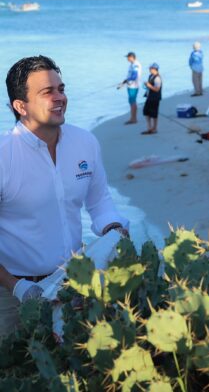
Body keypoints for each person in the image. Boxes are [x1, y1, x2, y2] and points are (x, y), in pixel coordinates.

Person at [0, 56, 129, 338]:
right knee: (15, 375)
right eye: (47, 92)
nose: (60, 97)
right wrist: (17, 286)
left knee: (70, 370)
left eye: (61, 88)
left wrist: (112, 228)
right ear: (20, 106)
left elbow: (99, 201)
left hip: (74, 283)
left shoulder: (85, 142)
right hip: (9, 294)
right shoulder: (3, 155)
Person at [118, 51, 141, 124]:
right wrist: (124, 83)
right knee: (131, 101)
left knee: (133, 101)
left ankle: (133, 119)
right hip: (130, 85)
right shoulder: (132, 64)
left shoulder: (136, 65)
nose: (127, 58)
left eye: (128, 57)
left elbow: (134, 76)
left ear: (131, 57)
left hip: (134, 86)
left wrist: (126, 80)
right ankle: (133, 118)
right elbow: (130, 76)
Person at [142, 63, 162, 135]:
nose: (149, 70)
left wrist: (149, 85)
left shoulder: (157, 78)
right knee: (146, 111)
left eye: (150, 68)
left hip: (155, 98)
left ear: (154, 69)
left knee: (154, 113)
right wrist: (147, 85)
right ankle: (149, 127)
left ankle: (154, 128)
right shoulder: (150, 76)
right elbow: (150, 86)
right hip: (149, 97)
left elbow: (157, 89)